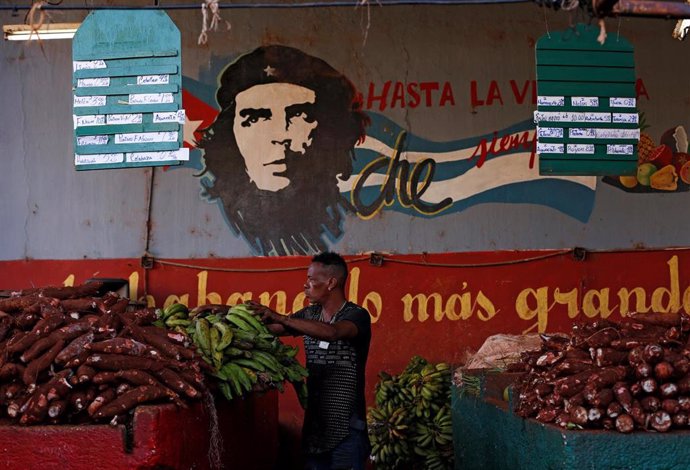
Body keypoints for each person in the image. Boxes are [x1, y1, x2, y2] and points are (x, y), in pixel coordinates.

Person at [198, 45, 369, 257]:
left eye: (298, 115)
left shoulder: (341, 216)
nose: (279, 136)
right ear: (230, 134)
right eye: (255, 118)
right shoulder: (207, 219)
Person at [247, 252, 372, 470]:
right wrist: (225, 313)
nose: (306, 285)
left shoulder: (356, 315)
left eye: (312, 280)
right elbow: (270, 329)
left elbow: (332, 333)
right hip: (315, 429)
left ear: (331, 282)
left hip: (347, 429)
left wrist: (282, 317)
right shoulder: (309, 314)